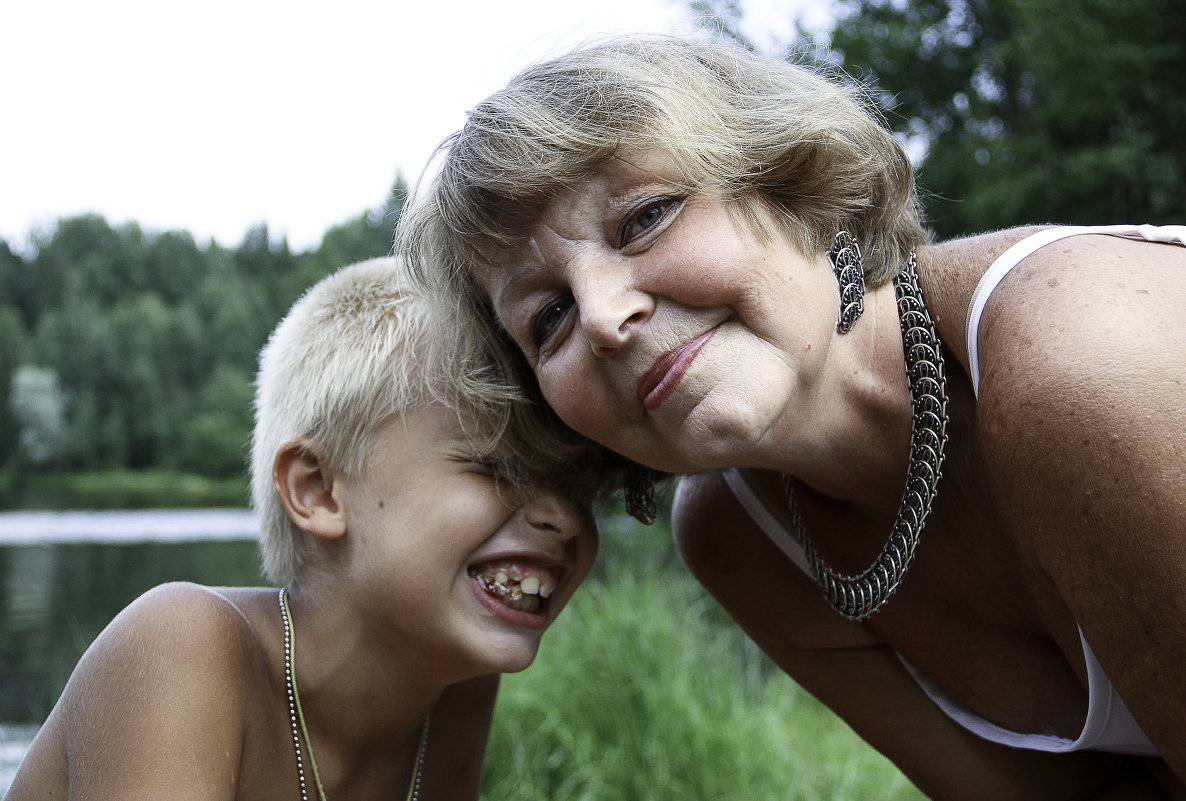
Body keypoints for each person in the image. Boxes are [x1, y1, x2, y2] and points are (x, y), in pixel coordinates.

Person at [398, 34, 1186, 799]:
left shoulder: (1074, 357)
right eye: (549, 317)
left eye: (645, 217)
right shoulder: (739, 538)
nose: (603, 317)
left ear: (785, 178)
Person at [6, 255, 619, 800]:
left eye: (577, 483)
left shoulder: (457, 688)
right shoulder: (181, 646)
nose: (563, 515)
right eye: (495, 464)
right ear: (317, 490)